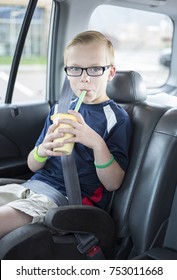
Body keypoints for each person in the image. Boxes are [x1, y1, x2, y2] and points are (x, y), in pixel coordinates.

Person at [0, 30, 132, 238]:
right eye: (75, 69)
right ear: (67, 71)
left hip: (65, 199)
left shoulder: (116, 118)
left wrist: (96, 143)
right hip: (31, 186)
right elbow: (32, 165)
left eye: (95, 68)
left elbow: (113, 183)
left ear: (111, 72)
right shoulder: (60, 110)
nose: (85, 78)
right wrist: (43, 149)